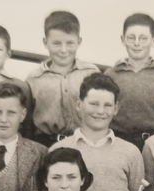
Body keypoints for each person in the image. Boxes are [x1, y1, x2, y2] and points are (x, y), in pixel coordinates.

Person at [52, 73, 145, 191]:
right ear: (79, 105)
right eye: (94, 104)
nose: (100, 111)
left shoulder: (130, 151)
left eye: (107, 105)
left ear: (116, 108)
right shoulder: (59, 149)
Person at [105, 13, 154, 152]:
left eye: (143, 38)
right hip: (119, 142)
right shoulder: (111, 74)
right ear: (123, 40)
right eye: (131, 38)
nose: (137, 43)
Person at [26, 11, 99, 147]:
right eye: (56, 44)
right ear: (45, 42)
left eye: (70, 43)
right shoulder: (34, 79)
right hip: (45, 144)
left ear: (79, 42)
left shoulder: (91, 73)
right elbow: (27, 122)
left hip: (85, 143)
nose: (63, 50)